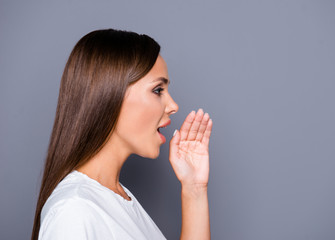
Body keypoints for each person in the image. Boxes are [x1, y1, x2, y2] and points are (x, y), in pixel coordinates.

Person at [31, 29, 213, 240]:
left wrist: (194, 190)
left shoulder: (118, 200)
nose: (173, 106)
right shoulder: (73, 210)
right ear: (109, 96)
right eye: (157, 90)